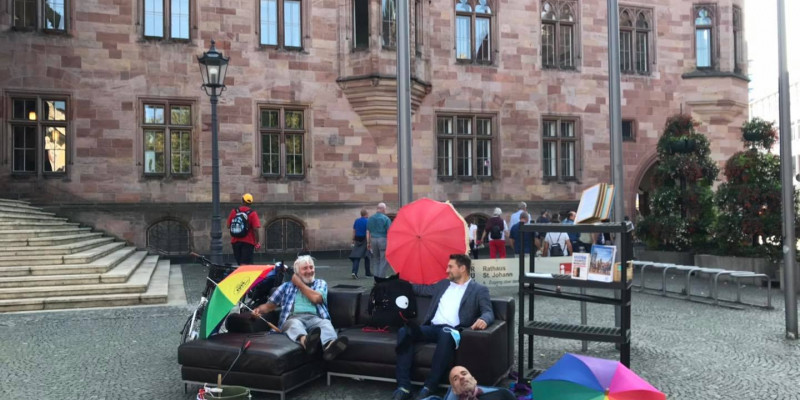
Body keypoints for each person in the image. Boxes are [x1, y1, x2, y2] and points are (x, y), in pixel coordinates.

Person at [392, 254, 494, 400]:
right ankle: (404, 386)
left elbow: (488, 311)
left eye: (450, 267)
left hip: (453, 331)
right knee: (405, 330)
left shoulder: (478, 289)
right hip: (432, 328)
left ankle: (429, 386)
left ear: (463, 268)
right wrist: (399, 283)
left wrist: (484, 319)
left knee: (446, 332)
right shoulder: (443, 284)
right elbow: (421, 290)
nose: (447, 270)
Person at [252, 255, 349, 361]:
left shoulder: (320, 283)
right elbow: (270, 305)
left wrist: (299, 284)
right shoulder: (286, 286)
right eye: (305, 268)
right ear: (297, 273)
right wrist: (259, 310)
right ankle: (307, 342)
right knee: (293, 324)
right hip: (294, 318)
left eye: (311, 267)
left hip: (315, 318)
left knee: (325, 324)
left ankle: (330, 347)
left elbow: (316, 298)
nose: (309, 271)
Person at [438, 366, 516, 400]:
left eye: (464, 373)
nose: (461, 377)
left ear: (474, 380)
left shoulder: (501, 393)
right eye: (455, 379)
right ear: (454, 390)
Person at [227, 193, 261, 265]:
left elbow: (228, 226)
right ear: (251, 203)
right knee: (247, 264)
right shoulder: (252, 213)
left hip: (235, 241)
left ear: (242, 201)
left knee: (240, 264)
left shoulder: (234, 211)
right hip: (248, 242)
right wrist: (257, 242)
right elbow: (255, 229)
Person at [367, 202, 392, 279]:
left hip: (373, 239)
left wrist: (368, 242)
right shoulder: (386, 219)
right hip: (383, 240)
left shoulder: (370, 218)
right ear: (383, 209)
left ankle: (376, 278)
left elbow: (368, 230)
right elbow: (389, 231)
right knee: (384, 260)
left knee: (376, 260)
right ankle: (381, 278)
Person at [349, 209, 372, 279]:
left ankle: (354, 272)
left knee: (356, 257)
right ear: (366, 214)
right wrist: (369, 242)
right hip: (365, 239)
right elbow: (368, 232)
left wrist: (352, 240)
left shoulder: (357, 220)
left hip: (357, 239)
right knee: (367, 256)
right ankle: (367, 273)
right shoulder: (368, 221)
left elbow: (354, 231)